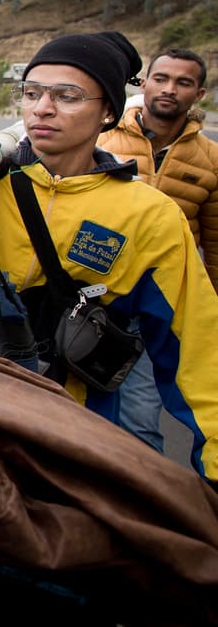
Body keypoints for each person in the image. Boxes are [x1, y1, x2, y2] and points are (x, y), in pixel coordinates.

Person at [0, 31, 218, 485]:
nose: (42, 109)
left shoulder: (150, 216)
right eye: (32, 93)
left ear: (108, 113)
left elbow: (198, 353)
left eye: (67, 96)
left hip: (69, 436)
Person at [98, 46, 218, 452]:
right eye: (161, 79)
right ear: (144, 83)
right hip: (93, 298)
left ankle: (142, 488)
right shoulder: (100, 139)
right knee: (76, 414)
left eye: (183, 82)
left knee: (140, 421)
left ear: (198, 94)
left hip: (158, 307)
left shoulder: (210, 160)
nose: (169, 89)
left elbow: (214, 242)